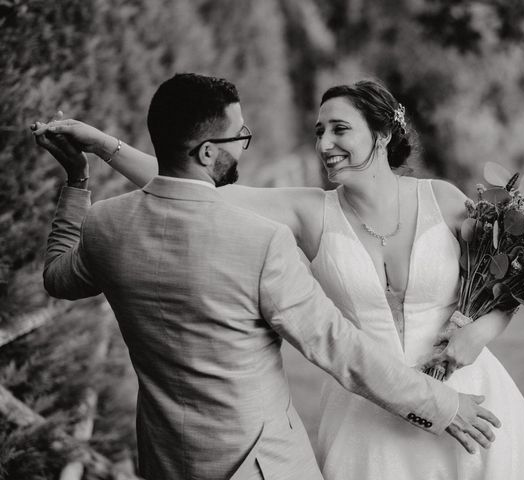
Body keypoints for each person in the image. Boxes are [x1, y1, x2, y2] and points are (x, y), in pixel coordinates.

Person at [35, 74, 500, 480]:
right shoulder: (269, 236)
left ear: (382, 135)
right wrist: (440, 405)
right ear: (208, 151)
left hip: (166, 459)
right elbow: (335, 344)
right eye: (241, 136)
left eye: (339, 129)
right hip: (268, 463)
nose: (323, 144)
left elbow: (58, 275)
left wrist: (81, 176)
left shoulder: (103, 225)